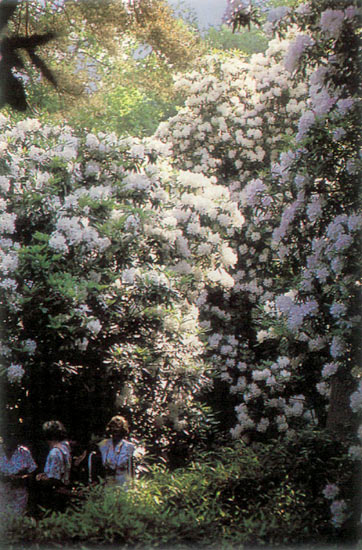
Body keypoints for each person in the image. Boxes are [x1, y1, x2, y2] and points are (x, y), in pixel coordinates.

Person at [0, 425, 37, 523]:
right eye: (9, 436)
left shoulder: (24, 452)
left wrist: (21, 478)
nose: (12, 439)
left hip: (19, 494)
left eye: (15, 436)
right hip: (2, 492)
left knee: (17, 520)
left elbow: (33, 472)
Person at [35, 420, 72, 513]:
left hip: (55, 495)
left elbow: (54, 479)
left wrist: (41, 479)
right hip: (65, 490)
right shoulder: (65, 448)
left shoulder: (54, 453)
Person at [98, 416, 135, 488]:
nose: (115, 432)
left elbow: (131, 470)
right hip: (108, 484)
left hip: (123, 484)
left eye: (118, 429)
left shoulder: (129, 447)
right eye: (113, 428)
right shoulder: (103, 445)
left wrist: (132, 487)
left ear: (123, 430)